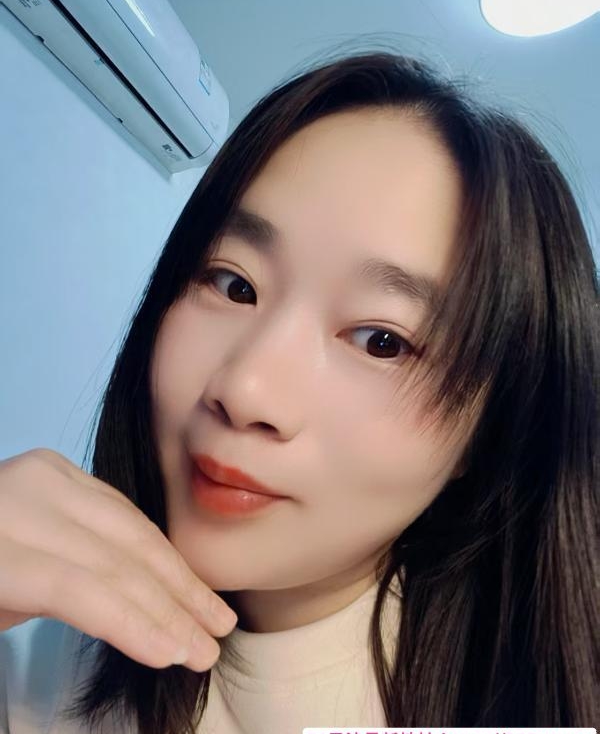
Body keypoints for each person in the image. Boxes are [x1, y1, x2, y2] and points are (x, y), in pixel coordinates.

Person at [0, 50, 598, 734]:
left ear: (488, 433)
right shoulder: (44, 648)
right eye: (234, 284)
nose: (245, 390)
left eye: (382, 341)